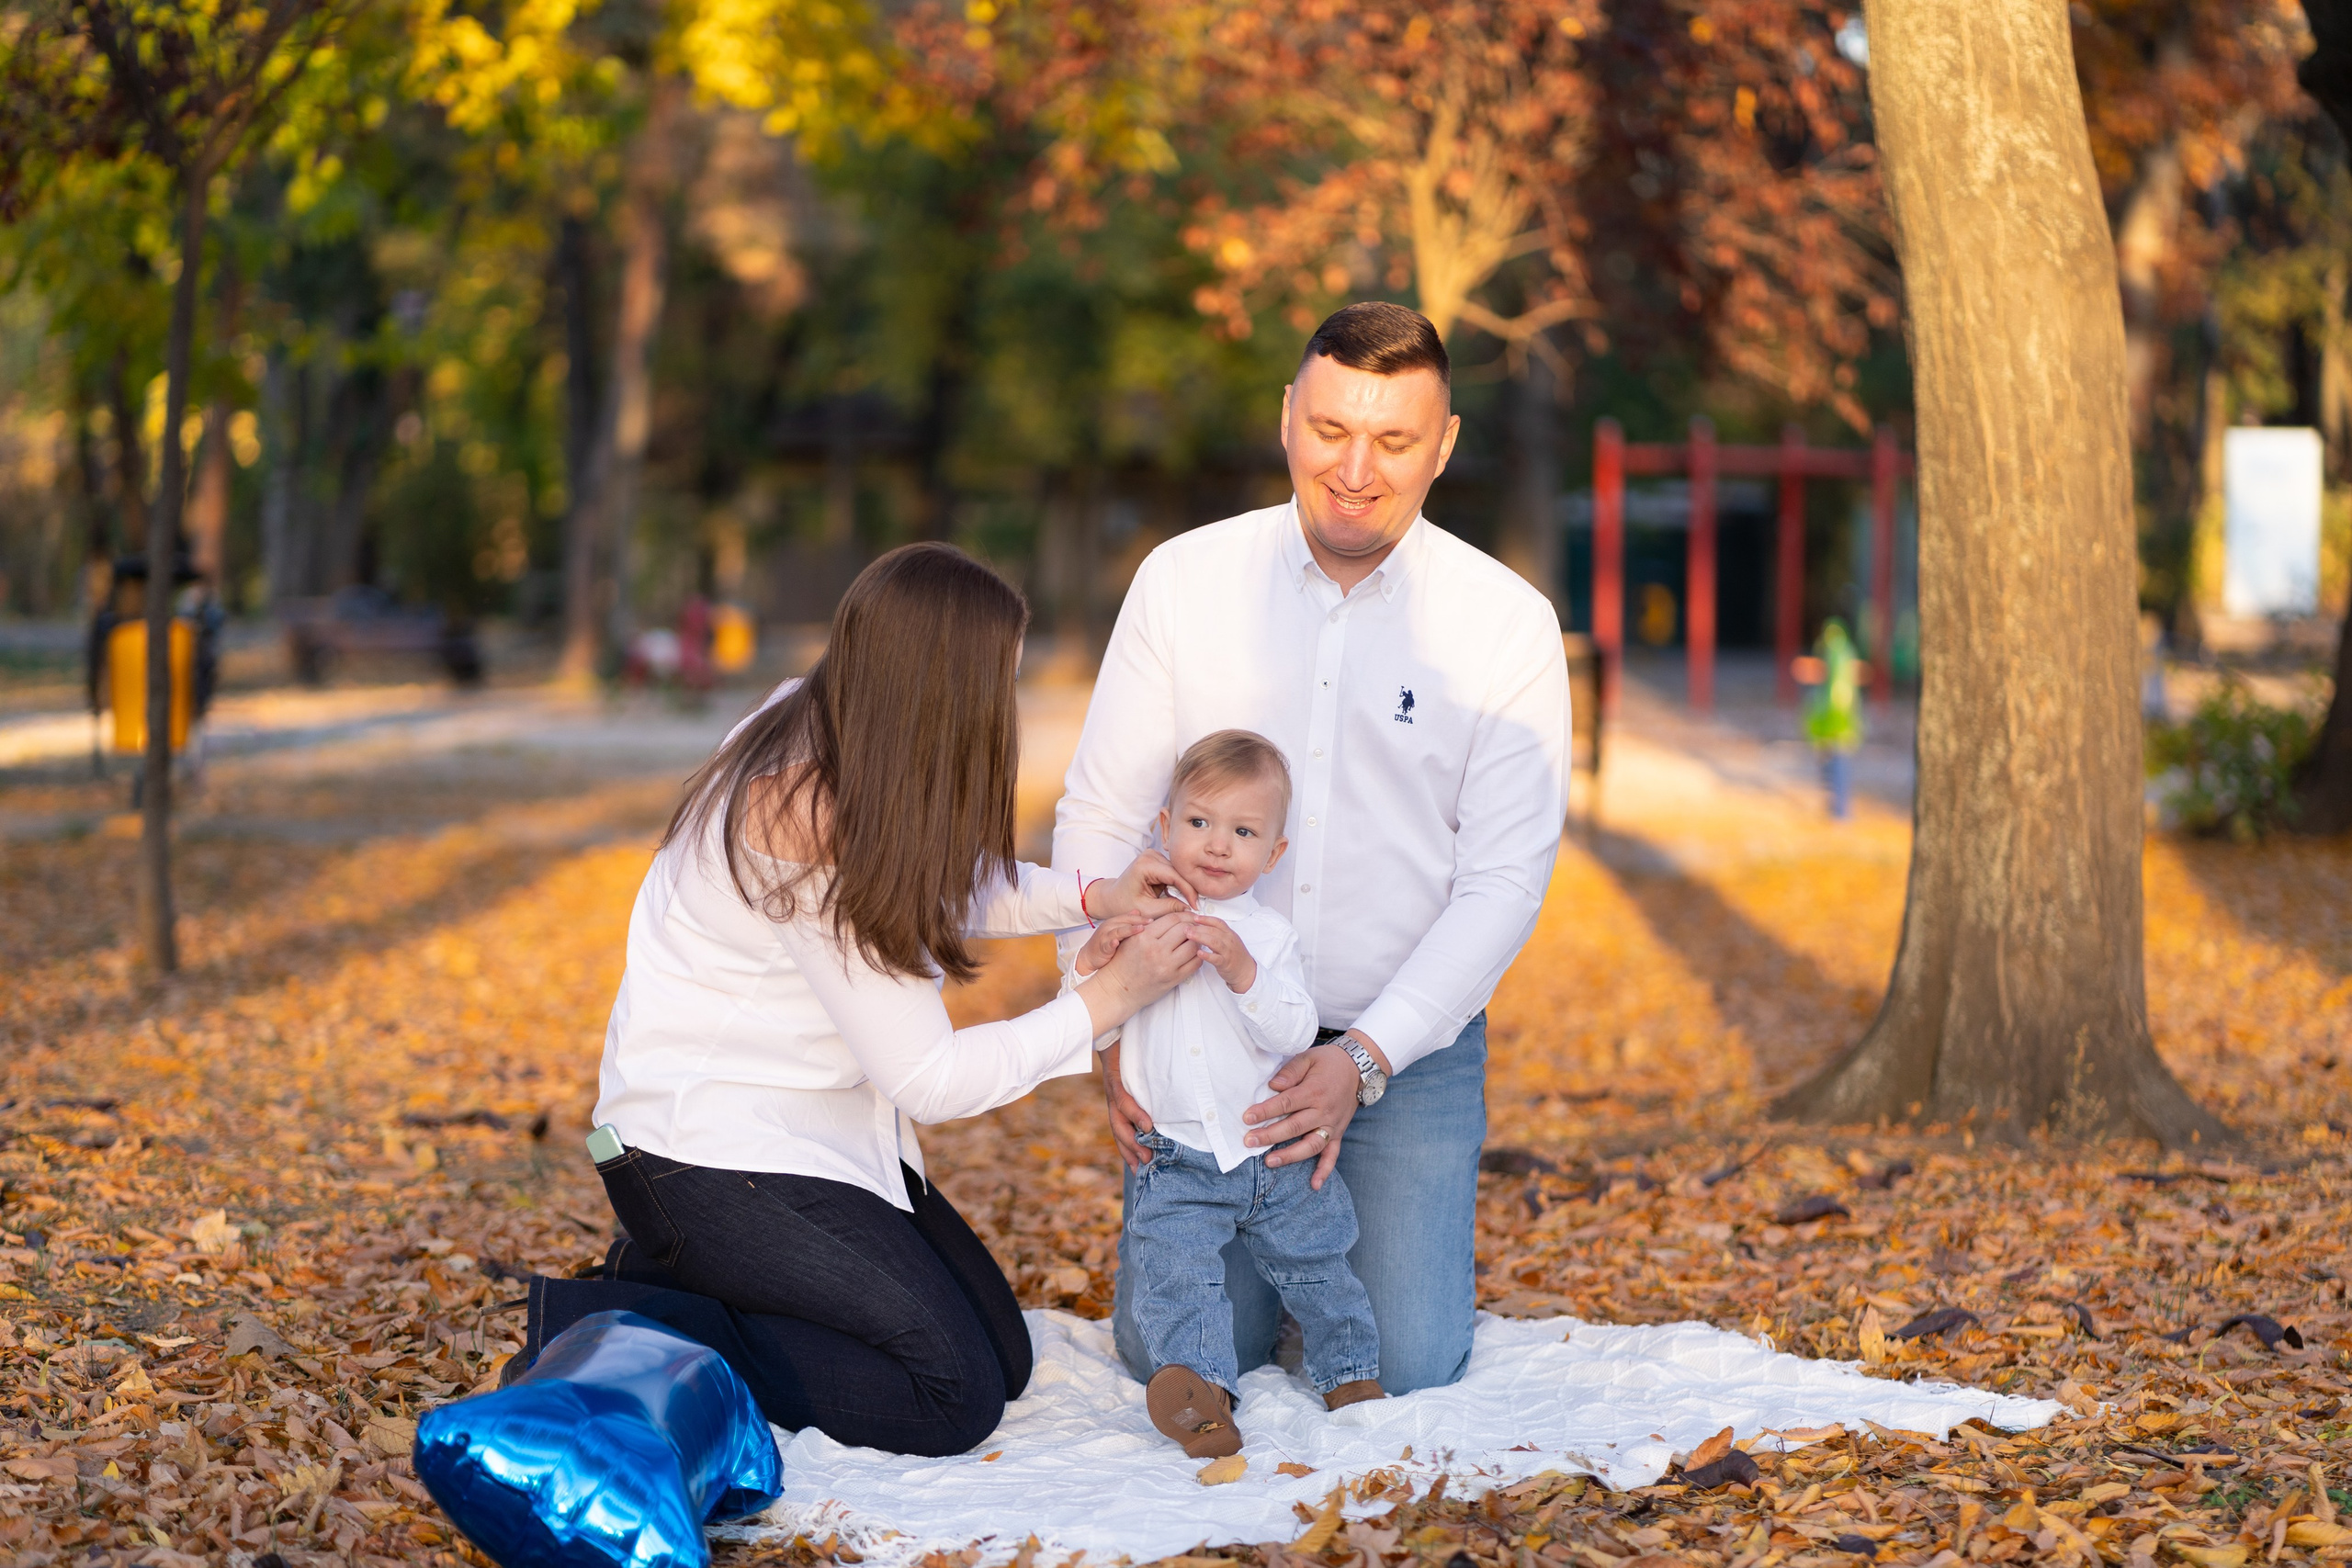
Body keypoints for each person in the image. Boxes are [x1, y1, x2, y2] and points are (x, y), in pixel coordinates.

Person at [524, 542, 1205, 1458]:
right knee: (951, 1396)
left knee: (1002, 1356)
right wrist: (1106, 999)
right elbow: (929, 1077)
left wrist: (1094, 895)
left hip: (820, 1136)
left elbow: (935, 880)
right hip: (701, 1155)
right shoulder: (803, 809)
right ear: (937, 687)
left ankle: (692, 1280)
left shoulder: (838, 727)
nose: (999, 708)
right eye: (994, 683)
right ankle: (622, 1317)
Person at [1054, 301, 1571, 1395]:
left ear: (1444, 445)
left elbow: (1503, 884)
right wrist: (1100, 1010)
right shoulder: (1184, 581)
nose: (1355, 470)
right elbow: (1101, 813)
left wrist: (1364, 1059)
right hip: (1201, 1030)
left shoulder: (1505, 624)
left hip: (1401, 1051)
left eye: (1393, 440)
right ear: (1288, 415)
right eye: (1331, 429)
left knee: (1406, 1362)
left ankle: (1335, 1252)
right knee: (1176, 1354)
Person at [1067, 730, 1382, 1459]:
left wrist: (1244, 973)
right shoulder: (1135, 925)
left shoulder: (1267, 938)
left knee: (1319, 1260)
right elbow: (1089, 1014)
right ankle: (1205, 1398)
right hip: (1176, 1156)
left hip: (1271, 1149)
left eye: (1243, 832)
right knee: (1176, 1277)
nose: (1216, 844)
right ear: (1164, 825)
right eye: (1199, 821)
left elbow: (1298, 1027)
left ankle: (1350, 1372)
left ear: (1272, 854)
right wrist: (1089, 962)